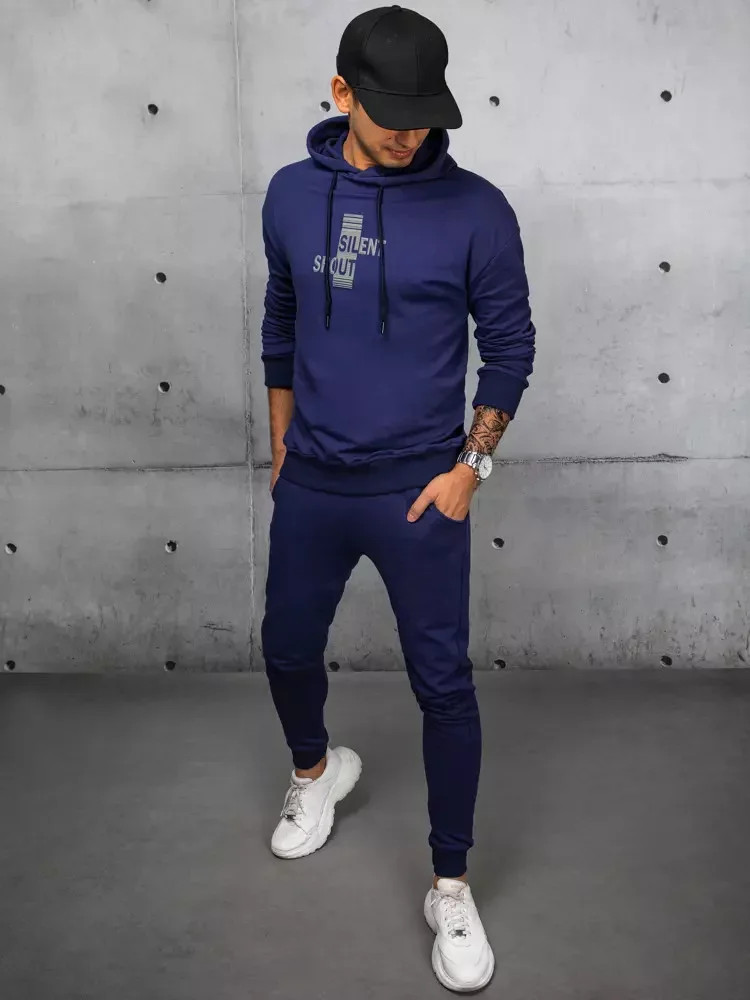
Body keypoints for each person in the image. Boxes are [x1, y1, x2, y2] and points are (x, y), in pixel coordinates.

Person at [259, 5, 535, 992]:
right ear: (342, 93)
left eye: (425, 115)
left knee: (444, 686)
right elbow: (281, 317)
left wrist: (469, 471)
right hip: (315, 481)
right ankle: (315, 771)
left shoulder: (478, 211)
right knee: (285, 645)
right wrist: (282, 439)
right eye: (390, 115)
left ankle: (450, 885)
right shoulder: (291, 195)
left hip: (422, 491)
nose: (411, 133)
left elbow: (511, 352)